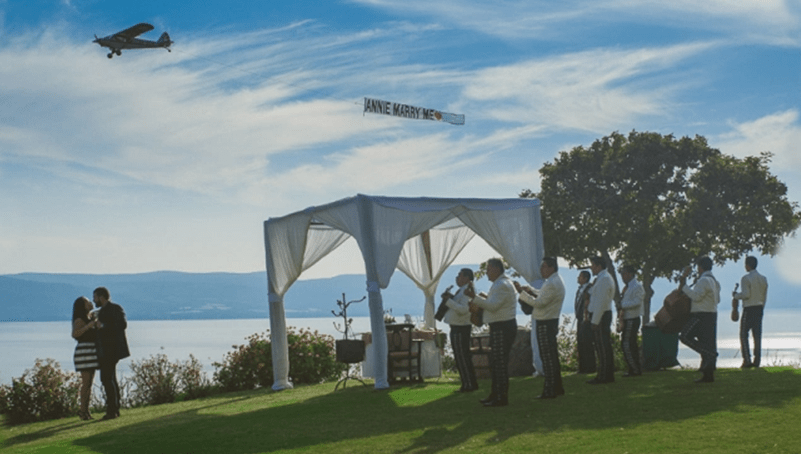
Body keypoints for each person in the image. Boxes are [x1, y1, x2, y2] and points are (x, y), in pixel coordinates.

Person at [466, 258, 518, 407]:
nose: (487, 273)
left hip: (503, 327)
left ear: (496, 269)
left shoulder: (502, 285)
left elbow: (493, 306)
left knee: (500, 363)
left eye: (488, 269)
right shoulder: (499, 284)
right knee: (496, 363)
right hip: (499, 326)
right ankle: (495, 394)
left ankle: (501, 397)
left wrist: (474, 298)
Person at [515, 257, 566, 399]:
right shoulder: (554, 281)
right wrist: (530, 290)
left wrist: (522, 294)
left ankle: (550, 390)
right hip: (550, 321)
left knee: (547, 357)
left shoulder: (552, 283)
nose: (541, 270)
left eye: (544, 266)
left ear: (551, 268)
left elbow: (539, 303)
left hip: (545, 322)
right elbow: (542, 295)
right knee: (551, 357)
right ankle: (557, 387)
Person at [679, 256, 720, 383]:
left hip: (701, 315)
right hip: (711, 314)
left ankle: (710, 354)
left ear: (700, 267)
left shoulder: (703, 281)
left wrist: (684, 287)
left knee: (685, 336)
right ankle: (708, 375)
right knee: (708, 342)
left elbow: (696, 297)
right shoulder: (714, 281)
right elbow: (717, 300)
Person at [93, 286, 130, 420]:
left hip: (111, 350)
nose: (93, 300)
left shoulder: (115, 308)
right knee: (110, 379)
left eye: (95, 297)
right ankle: (114, 408)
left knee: (106, 379)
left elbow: (122, 325)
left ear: (101, 297)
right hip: (104, 350)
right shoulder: (101, 311)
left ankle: (112, 410)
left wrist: (103, 326)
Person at [441, 268, 479, 392]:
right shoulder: (462, 290)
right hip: (457, 326)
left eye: (460, 275)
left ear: (467, 278)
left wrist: (449, 301)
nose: (457, 278)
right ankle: (468, 383)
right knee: (461, 356)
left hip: (461, 327)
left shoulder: (467, 291)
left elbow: (464, 310)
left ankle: (468, 384)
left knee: (462, 356)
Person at [732, 256, 768, 368]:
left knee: (743, 334)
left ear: (747, 265)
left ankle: (747, 360)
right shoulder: (763, 278)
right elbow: (764, 296)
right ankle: (757, 361)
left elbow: (746, 295)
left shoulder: (745, 278)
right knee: (757, 335)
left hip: (748, 309)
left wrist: (736, 296)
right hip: (759, 308)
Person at [586, 256, 615, 384]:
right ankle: (603, 374)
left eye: (592, 265)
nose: (591, 268)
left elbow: (601, 303)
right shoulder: (601, 279)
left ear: (598, 266)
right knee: (601, 346)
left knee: (602, 346)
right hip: (601, 314)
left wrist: (595, 321)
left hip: (601, 315)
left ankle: (605, 376)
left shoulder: (604, 279)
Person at [72, 296, 99, 420]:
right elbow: (75, 334)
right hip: (84, 352)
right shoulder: (79, 320)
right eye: (88, 302)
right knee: (86, 383)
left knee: (89, 383)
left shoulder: (90, 317)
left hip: (91, 352)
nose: (91, 303)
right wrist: (89, 326)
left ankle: (85, 411)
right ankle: (83, 411)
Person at [618, 265, 644, 377]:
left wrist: (622, 305)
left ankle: (635, 369)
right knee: (629, 344)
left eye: (624, 274)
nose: (622, 277)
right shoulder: (628, 287)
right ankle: (633, 368)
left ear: (630, 274)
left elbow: (637, 302)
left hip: (632, 318)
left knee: (627, 344)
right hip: (627, 318)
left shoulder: (637, 286)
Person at [574, 270, 596, 374]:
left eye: (580, 276)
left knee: (587, 343)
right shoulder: (580, 289)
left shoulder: (589, 288)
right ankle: (582, 367)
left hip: (586, 319)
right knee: (581, 343)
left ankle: (590, 367)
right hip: (580, 319)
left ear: (585, 278)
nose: (578, 278)